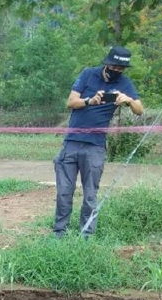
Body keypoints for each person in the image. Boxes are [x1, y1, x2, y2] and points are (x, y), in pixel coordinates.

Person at [53, 46, 144, 238]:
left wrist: (128, 100)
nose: (117, 71)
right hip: (71, 142)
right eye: (115, 66)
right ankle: (59, 231)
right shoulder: (88, 74)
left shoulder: (124, 83)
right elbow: (71, 102)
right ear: (107, 63)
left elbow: (139, 110)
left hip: (95, 146)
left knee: (90, 194)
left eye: (121, 68)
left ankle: (86, 234)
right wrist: (90, 101)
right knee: (64, 191)